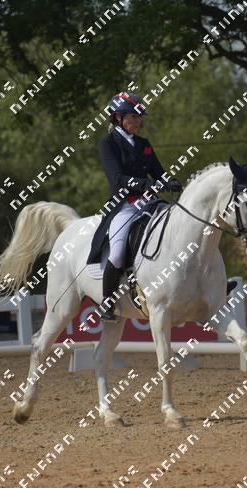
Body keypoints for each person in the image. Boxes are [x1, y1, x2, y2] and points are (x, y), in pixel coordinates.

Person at [87, 91, 182, 321]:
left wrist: (170, 181)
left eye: (139, 117)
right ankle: (107, 302)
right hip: (125, 206)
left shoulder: (143, 144)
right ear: (118, 117)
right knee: (118, 254)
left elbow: (158, 172)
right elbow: (117, 178)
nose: (138, 121)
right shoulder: (108, 144)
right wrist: (146, 184)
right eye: (133, 117)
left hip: (150, 202)